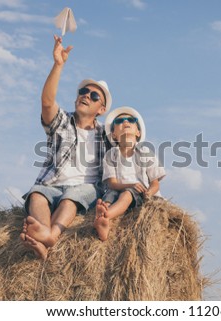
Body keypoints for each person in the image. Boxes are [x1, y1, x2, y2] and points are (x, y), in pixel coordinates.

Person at [20, 35, 112, 259]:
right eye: (82, 93)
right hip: (51, 185)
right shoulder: (62, 122)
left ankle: (52, 234)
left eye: (93, 96)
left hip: (84, 188)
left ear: (101, 109)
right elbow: (47, 103)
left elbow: (129, 155)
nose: (85, 97)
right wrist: (58, 64)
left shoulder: (106, 135)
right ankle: (43, 238)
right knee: (36, 195)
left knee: (73, 196)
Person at [94, 106, 165, 241]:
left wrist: (149, 192)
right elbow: (112, 183)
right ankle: (103, 223)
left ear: (138, 132)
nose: (125, 122)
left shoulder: (146, 152)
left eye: (130, 120)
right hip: (118, 189)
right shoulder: (110, 155)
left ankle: (106, 215)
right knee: (108, 196)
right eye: (119, 122)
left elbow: (155, 182)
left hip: (140, 193)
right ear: (114, 134)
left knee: (127, 194)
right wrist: (130, 184)